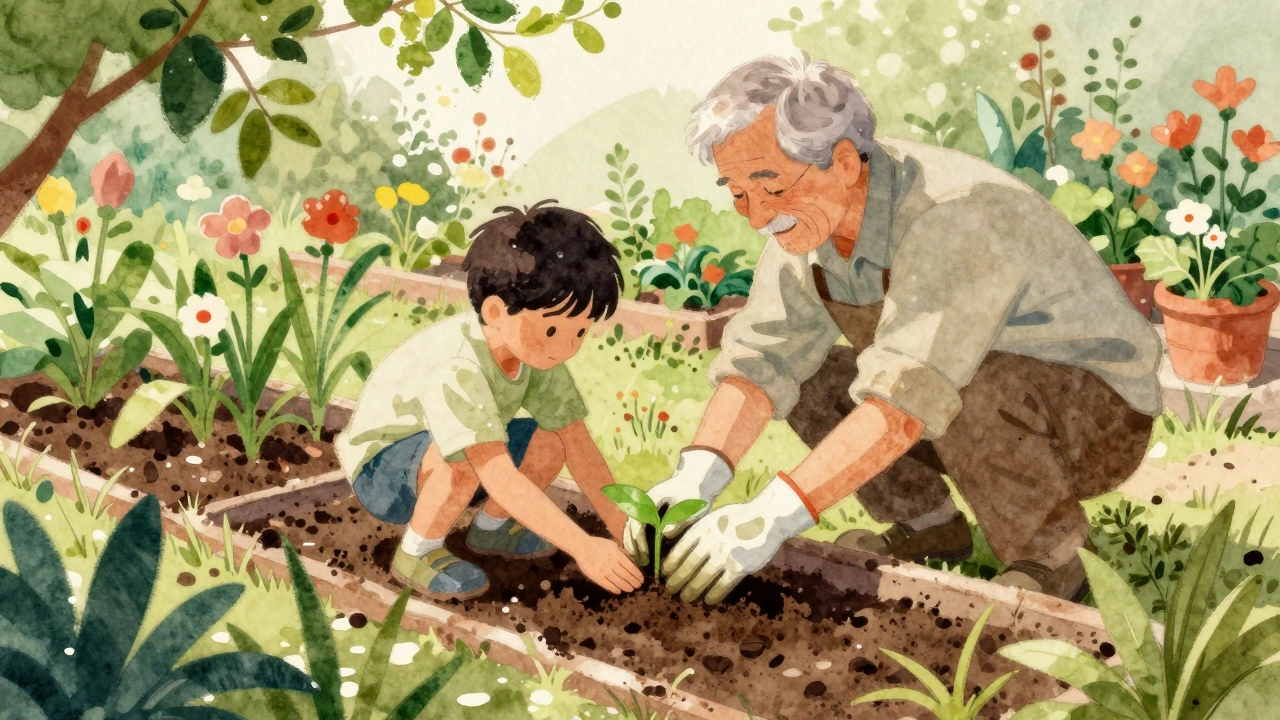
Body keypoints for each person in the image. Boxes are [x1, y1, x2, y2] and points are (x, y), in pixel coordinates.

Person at [623, 56, 1163, 604]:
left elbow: (911, 392)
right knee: (814, 380)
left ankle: (1053, 553)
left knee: (965, 383)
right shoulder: (809, 226)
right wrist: (696, 479)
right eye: (737, 192)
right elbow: (760, 361)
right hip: (967, 406)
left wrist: (772, 516)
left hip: (1095, 418)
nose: (758, 216)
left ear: (841, 162)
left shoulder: (954, 213)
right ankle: (930, 525)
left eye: (770, 186)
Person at [336, 201, 642, 601]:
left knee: (552, 442)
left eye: (580, 332)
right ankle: (416, 551)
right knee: (463, 458)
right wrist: (583, 547)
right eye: (553, 330)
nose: (567, 348)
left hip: (446, 457)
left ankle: (493, 529)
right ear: (496, 311)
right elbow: (495, 472)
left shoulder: (538, 354)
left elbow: (579, 444)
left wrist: (624, 530)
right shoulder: (458, 365)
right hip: (383, 472)